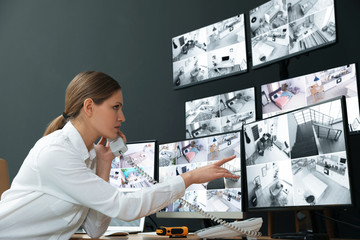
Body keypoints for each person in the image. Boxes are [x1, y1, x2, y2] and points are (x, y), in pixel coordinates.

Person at [0, 71, 239, 240]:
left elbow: (95, 229)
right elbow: (124, 207)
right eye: (116, 107)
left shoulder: (89, 156)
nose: (122, 117)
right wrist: (189, 178)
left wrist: (104, 164)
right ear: (90, 107)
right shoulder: (56, 152)